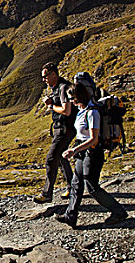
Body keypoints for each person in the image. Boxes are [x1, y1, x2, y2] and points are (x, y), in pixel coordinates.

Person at [55, 82, 128, 228]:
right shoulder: (82, 110)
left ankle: (119, 212)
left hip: (93, 152)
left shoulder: (92, 112)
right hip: (82, 151)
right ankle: (71, 216)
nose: (71, 101)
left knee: (92, 186)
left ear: (79, 96)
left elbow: (93, 139)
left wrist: (74, 151)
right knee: (76, 183)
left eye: (72, 98)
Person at [34, 62, 75, 203]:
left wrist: (51, 106)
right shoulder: (57, 88)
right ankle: (73, 187)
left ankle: (47, 194)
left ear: (53, 74)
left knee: (51, 159)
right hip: (61, 128)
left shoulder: (63, 88)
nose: (44, 79)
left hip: (65, 129)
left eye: (45, 76)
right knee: (62, 157)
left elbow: (66, 110)